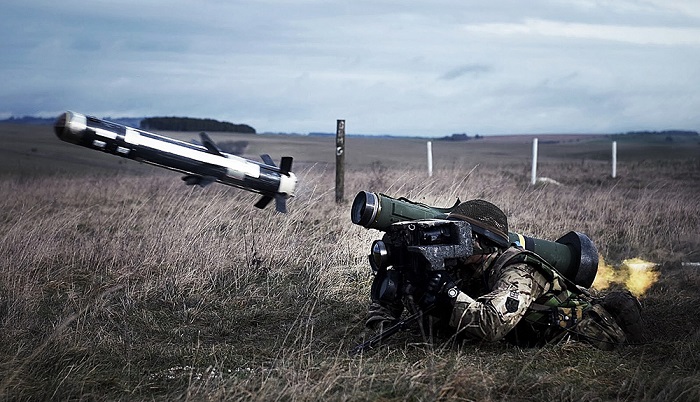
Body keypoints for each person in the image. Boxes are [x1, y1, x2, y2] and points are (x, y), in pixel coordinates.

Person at [365, 199, 644, 350]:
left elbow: (491, 325)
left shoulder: (519, 270)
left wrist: (448, 293)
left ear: (486, 244)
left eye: (462, 237)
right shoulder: (469, 266)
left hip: (593, 337)